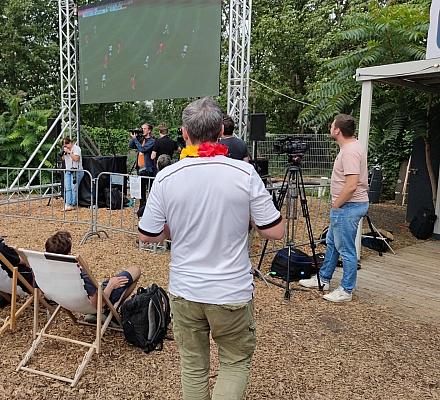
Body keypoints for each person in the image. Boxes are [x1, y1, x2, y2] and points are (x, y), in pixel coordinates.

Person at [138, 97, 284, 399]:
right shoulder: (244, 174)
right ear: (221, 131)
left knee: (193, 366)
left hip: (185, 290)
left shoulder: (166, 176)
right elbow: (276, 230)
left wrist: (175, 228)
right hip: (230, 292)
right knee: (235, 362)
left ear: (184, 133)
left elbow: (147, 235)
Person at [299, 114, 369, 302]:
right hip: (346, 206)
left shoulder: (350, 152)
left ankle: (346, 290)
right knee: (332, 243)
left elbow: (352, 184)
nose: (330, 128)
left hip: (348, 206)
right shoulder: (350, 147)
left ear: (337, 130)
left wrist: (337, 203)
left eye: (331, 126)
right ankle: (323, 278)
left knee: (346, 249)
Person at [44, 230, 141, 308]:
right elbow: (98, 305)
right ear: (68, 253)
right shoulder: (80, 275)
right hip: (93, 303)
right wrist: (111, 285)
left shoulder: (43, 269)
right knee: (135, 270)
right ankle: (109, 311)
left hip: (66, 302)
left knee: (106, 282)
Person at [129, 123, 156, 207]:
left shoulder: (152, 141)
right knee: (141, 191)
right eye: (142, 128)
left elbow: (143, 149)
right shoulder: (141, 139)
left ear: (149, 130)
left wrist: (135, 140)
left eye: (144, 129)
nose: (142, 130)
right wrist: (134, 138)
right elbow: (131, 146)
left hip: (148, 169)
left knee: (151, 190)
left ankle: (152, 208)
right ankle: (142, 208)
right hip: (140, 169)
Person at [61, 137, 83, 211]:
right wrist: (63, 153)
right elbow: (63, 159)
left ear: (70, 143)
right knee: (68, 188)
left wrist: (70, 152)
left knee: (74, 188)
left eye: (66, 144)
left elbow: (76, 159)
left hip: (76, 171)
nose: (65, 146)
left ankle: (73, 204)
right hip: (68, 171)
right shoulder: (65, 150)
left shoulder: (77, 148)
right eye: (64, 144)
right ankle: (68, 204)